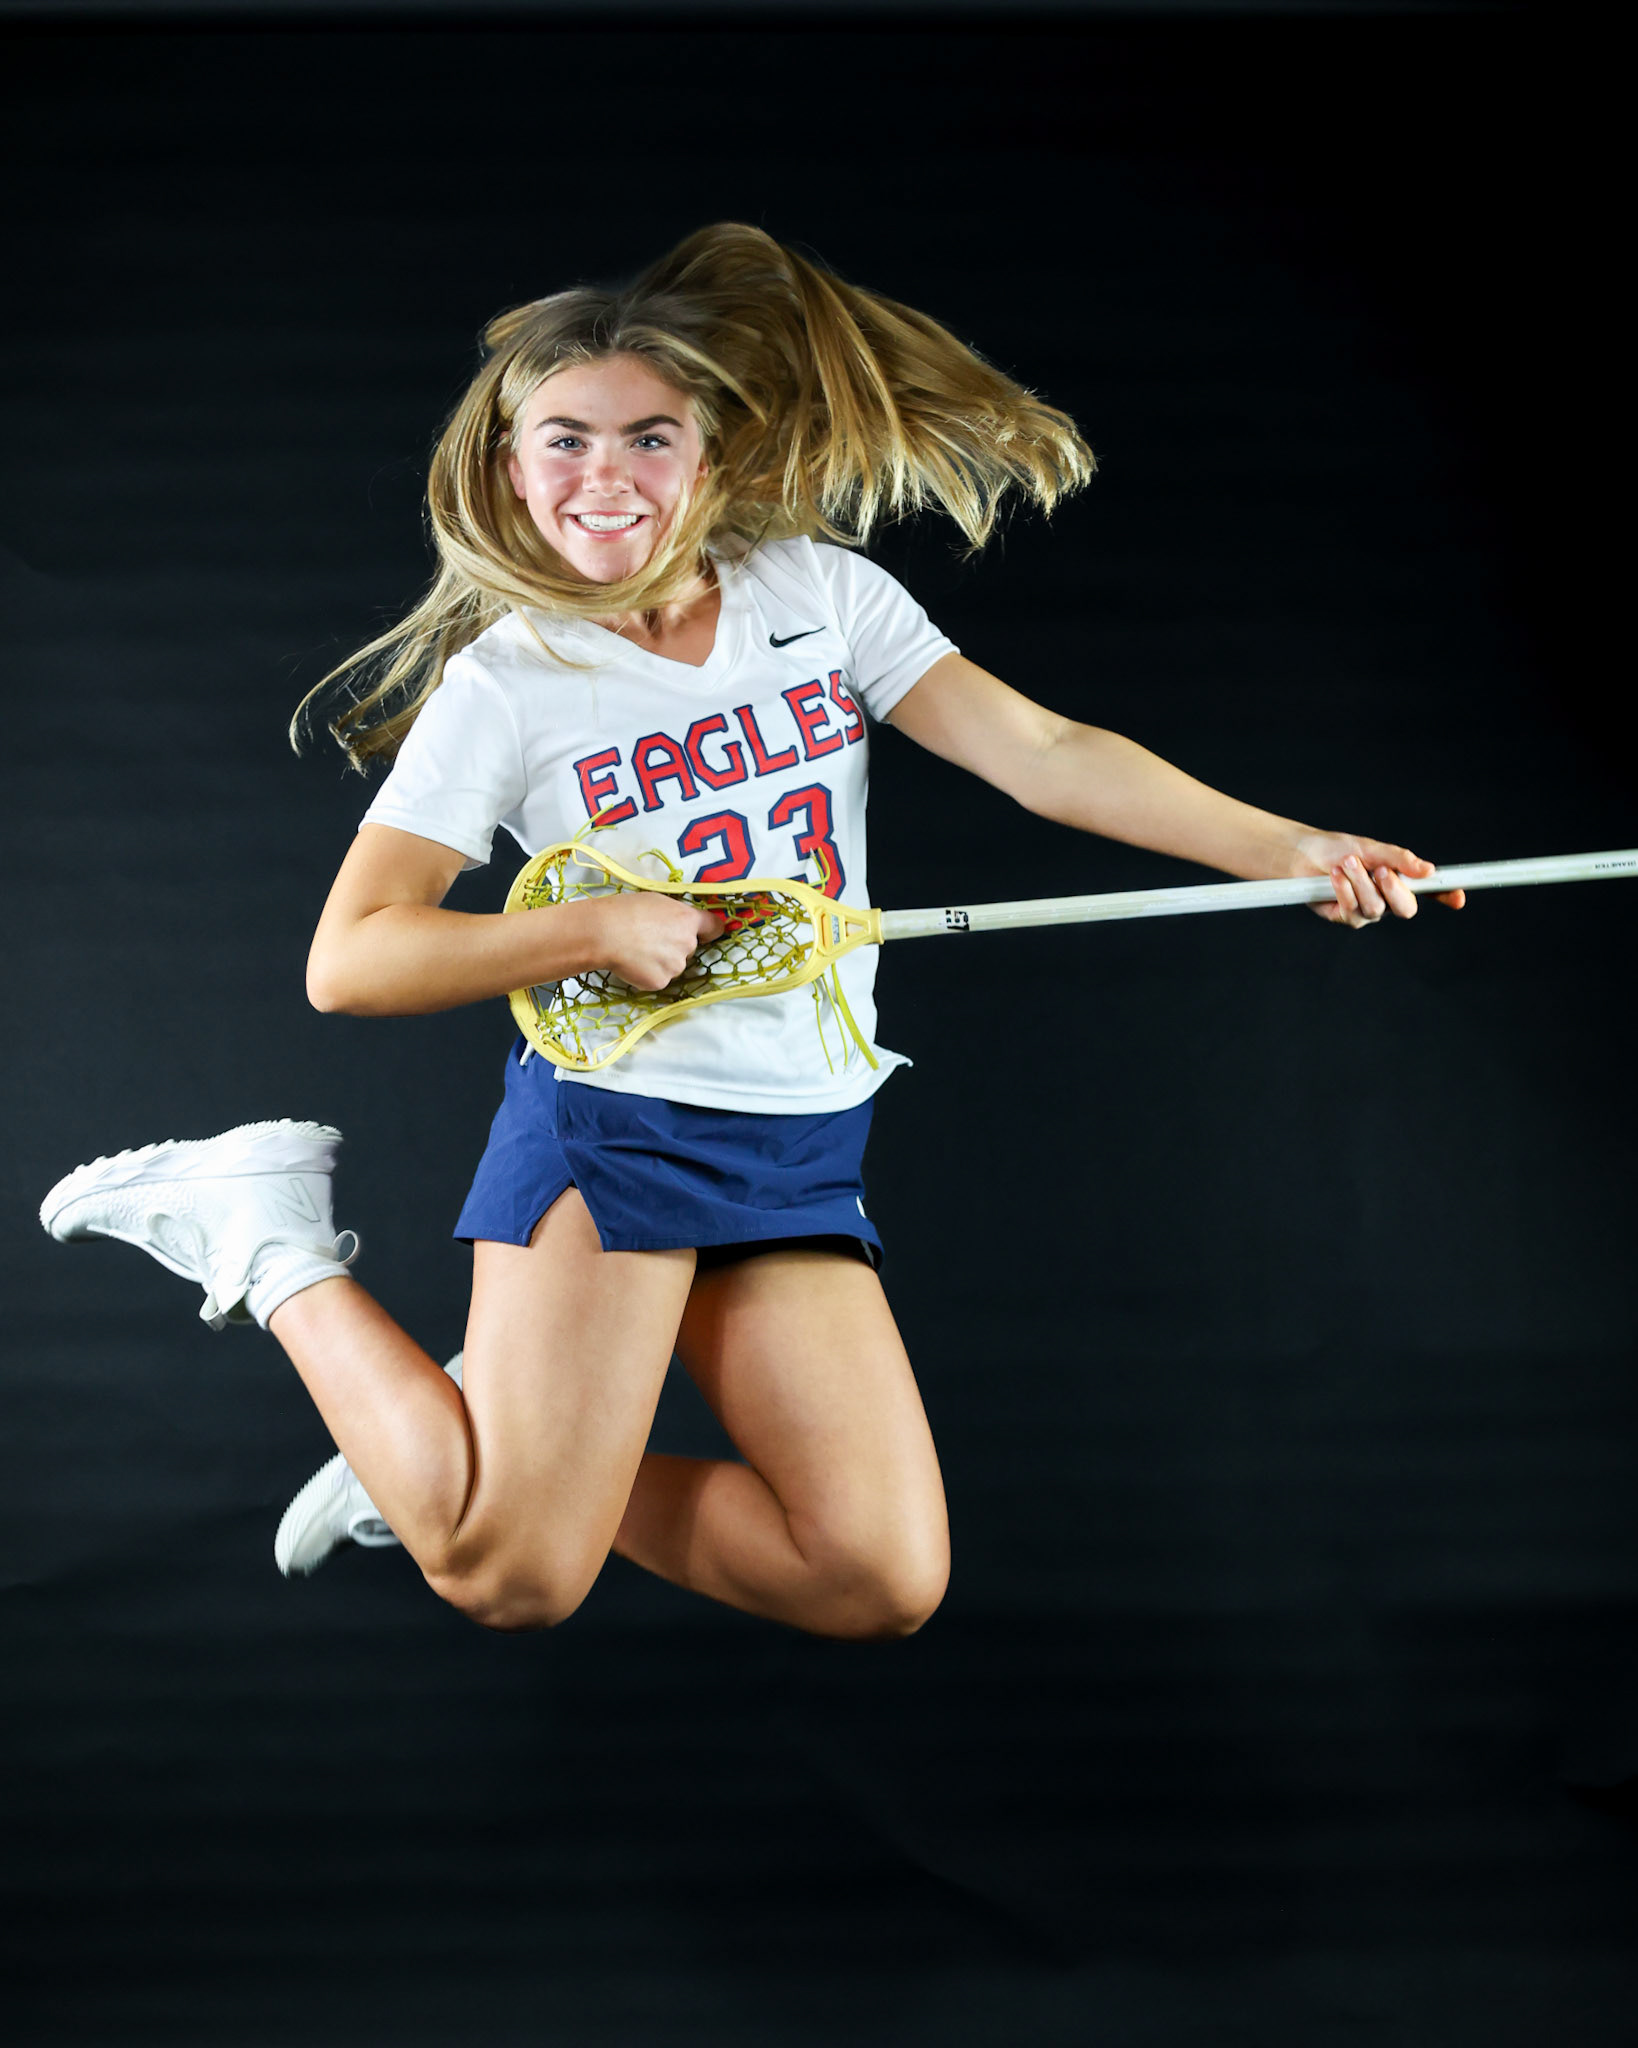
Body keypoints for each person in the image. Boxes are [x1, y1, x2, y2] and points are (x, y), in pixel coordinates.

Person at [39, 224, 1463, 1639]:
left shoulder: (817, 594)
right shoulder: (510, 684)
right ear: (505, 465)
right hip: (621, 1125)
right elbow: (351, 959)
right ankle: (271, 1235)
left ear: (710, 458)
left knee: (873, 1578)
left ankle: (465, 1451)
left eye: (650, 437)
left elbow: (1043, 749)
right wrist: (588, 926)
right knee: (507, 1576)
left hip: (800, 1126)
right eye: (565, 440)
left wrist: (1293, 848)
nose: (607, 476)